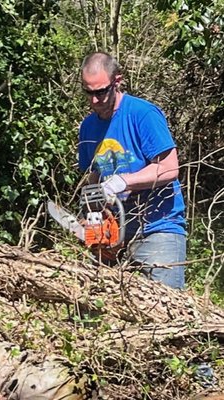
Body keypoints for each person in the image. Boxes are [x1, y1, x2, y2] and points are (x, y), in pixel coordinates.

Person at [78, 52, 186, 289]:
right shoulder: (88, 127)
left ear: (117, 82)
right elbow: (93, 176)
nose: (95, 100)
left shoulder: (142, 114)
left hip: (157, 226)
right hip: (115, 227)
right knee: (96, 303)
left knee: (166, 307)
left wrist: (124, 181)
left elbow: (169, 168)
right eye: (89, 92)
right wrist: (91, 212)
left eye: (101, 92)